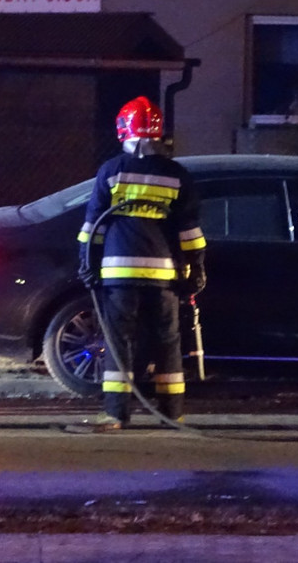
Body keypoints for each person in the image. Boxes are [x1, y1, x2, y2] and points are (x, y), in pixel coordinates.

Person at [77, 95, 206, 430]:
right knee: (167, 341)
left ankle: (117, 414)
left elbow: (93, 227)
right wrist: (197, 268)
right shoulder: (177, 175)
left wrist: (87, 264)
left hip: (118, 274)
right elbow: (189, 230)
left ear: (124, 130)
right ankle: (172, 412)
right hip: (163, 275)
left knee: (119, 343)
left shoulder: (111, 171)